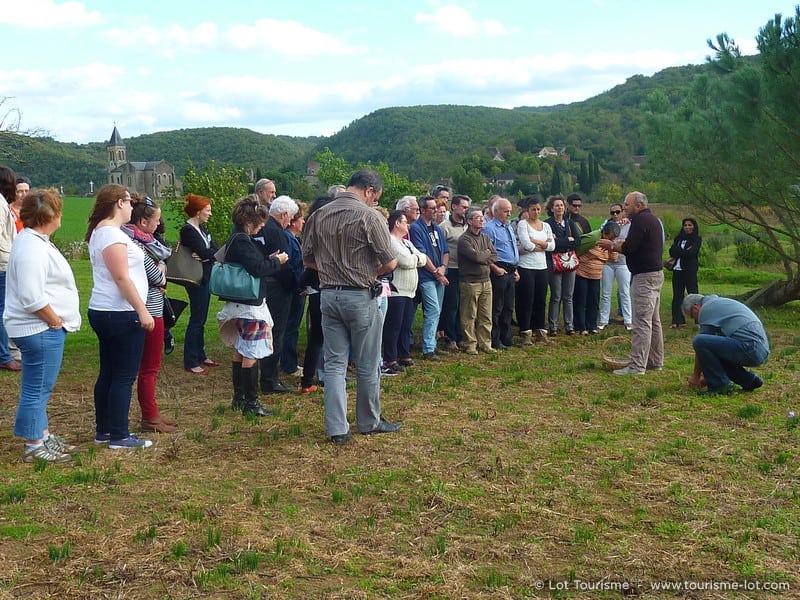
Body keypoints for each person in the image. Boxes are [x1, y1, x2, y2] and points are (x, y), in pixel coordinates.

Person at [302, 168, 400, 445]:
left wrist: (332, 270)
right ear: (369, 190)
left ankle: (337, 429)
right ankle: (369, 421)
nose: (375, 202)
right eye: (375, 198)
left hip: (328, 295)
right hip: (360, 295)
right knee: (368, 362)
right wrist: (365, 272)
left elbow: (307, 258)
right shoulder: (369, 216)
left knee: (334, 363)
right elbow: (391, 262)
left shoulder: (319, 215)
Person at [6, 188, 81, 463]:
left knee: (40, 387)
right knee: (37, 388)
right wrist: (54, 320)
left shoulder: (35, 240)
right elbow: (31, 296)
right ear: (50, 217)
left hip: (39, 328)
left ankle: (42, 435)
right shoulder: (31, 247)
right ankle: (34, 445)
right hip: (38, 328)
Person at [86, 184, 155, 449]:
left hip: (107, 310)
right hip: (120, 312)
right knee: (123, 376)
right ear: (119, 203)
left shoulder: (103, 232)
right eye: (129, 202)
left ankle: (105, 430)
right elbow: (121, 277)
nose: (131, 207)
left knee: (110, 372)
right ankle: (118, 434)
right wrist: (142, 309)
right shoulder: (111, 235)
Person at [217, 197, 289, 416]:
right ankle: (251, 403)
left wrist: (268, 258)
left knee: (241, 349)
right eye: (260, 221)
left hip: (239, 304)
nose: (263, 226)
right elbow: (257, 269)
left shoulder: (237, 238)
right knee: (252, 351)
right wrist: (277, 261)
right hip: (249, 306)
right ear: (249, 221)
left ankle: (239, 398)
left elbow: (251, 264)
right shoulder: (242, 240)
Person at [123, 196, 176, 434]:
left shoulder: (135, 241)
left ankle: (151, 411)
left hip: (146, 306)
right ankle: (150, 416)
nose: (158, 224)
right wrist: (162, 271)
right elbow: (156, 276)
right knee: (150, 367)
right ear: (143, 222)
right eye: (156, 220)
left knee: (147, 366)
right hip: (150, 310)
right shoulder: (139, 247)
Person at [599, 191, 664, 375]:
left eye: (627, 204)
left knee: (641, 322)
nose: (624, 208)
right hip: (655, 274)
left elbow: (629, 247)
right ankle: (654, 361)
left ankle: (637, 366)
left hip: (644, 277)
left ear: (638, 205)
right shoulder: (653, 220)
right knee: (653, 321)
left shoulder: (640, 221)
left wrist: (611, 245)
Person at [255, 195, 298, 393]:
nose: (290, 222)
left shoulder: (263, 226)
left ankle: (267, 375)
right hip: (278, 288)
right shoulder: (277, 232)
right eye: (291, 217)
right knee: (276, 332)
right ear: (284, 214)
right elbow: (284, 265)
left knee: (266, 330)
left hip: (264, 285)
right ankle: (270, 379)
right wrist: (294, 285)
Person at [683, 294, 769, 395]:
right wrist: (710, 376)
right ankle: (749, 380)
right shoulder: (719, 303)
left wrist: (696, 376)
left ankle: (719, 386)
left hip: (749, 347)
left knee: (699, 341)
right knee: (714, 349)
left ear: (695, 308)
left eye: (693, 317)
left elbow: (702, 345)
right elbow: (716, 349)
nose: (697, 321)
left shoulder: (706, 309)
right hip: (761, 349)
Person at [298, 196, 335, 394]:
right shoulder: (328, 233)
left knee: (317, 336)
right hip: (325, 287)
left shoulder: (310, 231)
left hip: (315, 288)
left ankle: (308, 379)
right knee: (323, 336)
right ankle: (316, 377)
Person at [179, 193, 219, 375]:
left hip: (205, 276)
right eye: (207, 210)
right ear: (197, 212)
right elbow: (205, 252)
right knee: (196, 319)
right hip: (196, 279)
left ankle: (200, 354)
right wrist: (207, 254)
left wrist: (207, 254)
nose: (210, 214)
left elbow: (215, 251)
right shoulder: (188, 230)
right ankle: (191, 360)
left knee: (201, 318)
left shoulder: (202, 229)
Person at [383, 210, 427, 374]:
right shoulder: (391, 241)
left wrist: (415, 259)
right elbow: (405, 261)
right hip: (397, 290)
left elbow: (423, 258)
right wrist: (416, 259)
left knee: (406, 325)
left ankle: (404, 354)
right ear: (397, 223)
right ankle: (390, 358)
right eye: (404, 222)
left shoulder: (407, 243)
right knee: (394, 325)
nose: (408, 225)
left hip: (410, 291)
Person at [410, 195, 449, 361]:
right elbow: (422, 254)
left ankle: (432, 343)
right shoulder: (416, 228)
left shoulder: (437, 229)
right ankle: (428, 349)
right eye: (432, 208)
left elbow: (445, 251)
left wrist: (443, 268)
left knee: (437, 311)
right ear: (423, 210)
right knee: (432, 310)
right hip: (426, 276)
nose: (435, 211)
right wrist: (436, 273)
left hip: (439, 274)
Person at [458, 207, 498, 354]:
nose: (482, 220)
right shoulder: (464, 239)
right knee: (469, 315)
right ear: (469, 221)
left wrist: (483, 256)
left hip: (486, 281)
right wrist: (485, 254)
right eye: (477, 217)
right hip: (470, 282)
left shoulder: (485, 237)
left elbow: (494, 255)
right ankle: (470, 344)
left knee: (486, 315)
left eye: (482, 217)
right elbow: (476, 257)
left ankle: (485, 343)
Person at [515, 195, 554, 345]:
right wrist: (543, 244)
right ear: (527, 210)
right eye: (533, 209)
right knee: (527, 300)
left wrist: (536, 242)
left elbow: (552, 246)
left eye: (538, 209)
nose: (536, 212)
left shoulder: (546, 226)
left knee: (540, 300)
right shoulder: (523, 224)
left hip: (542, 266)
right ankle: (526, 331)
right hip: (526, 267)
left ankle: (540, 331)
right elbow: (526, 245)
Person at [482, 197, 519, 349]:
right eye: (505, 211)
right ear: (496, 211)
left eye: (510, 211)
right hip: (499, 269)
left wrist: (515, 269)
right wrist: (494, 268)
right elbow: (485, 252)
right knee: (497, 306)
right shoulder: (489, 229)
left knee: (508, 306)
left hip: (511, 269)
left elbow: (512, 249)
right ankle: (495, 339)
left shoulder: (508, 227)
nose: (509, 214)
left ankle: (507, 337)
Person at [574, 220, 619, 335]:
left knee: (593, 301)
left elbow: (614, 258)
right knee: (581, 300)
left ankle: (592, 326)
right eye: (610, 238)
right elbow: (578, 249)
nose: (611, 240)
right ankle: (581, 326)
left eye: (613, 239)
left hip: (596, 276)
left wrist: (612, 248)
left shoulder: (609, 245)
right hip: (582, 273)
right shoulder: (594, 239)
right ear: (604, 233)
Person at [438, 194, 470, 351]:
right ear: (454, 207)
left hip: (466, 270)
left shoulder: (468, 225)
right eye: (463, 207)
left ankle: (460, 335)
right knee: (452, 305)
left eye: (467, 208)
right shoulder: (444, 227)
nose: (465, 210)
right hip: (451, 269)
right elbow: (440, 249)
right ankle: (450, 337)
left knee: (463, 305)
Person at [545, 194, 581, 336]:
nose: (559, 208)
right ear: (552, 209)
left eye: (561, 205)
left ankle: (569, 326)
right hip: (555, 263)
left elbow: (577, 241)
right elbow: (550, 244)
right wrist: (567, 240)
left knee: (568, 296)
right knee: (556, 295)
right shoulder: (547, 224)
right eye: (556, 206)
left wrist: (559, 241)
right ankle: (553, 326)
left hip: (569, 262)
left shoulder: (570, 223)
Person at [280, 201, 307, 378]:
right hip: (294, 290)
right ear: (293, 221)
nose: (303, 222)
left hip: (297, 288)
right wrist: (299, 286)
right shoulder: (288, 239)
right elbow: (290, 266)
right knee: (290, 327)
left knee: (291, 326)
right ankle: (288, 364)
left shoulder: (293, 239)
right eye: (301, 219)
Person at [598, 203, 632, 331]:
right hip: (608, 263)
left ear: (622, 211)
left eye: (618, 212)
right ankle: (603, 319)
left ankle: (628, 320)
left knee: (624, 292)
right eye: (612, 213)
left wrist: (617, 243)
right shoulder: (606, 224)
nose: (615, 215)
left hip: (623, 262)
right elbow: (602, 238)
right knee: (606, 292)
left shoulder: (629, 224)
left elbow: (629, 241)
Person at [0, 166, 21, 372]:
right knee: (2, 310)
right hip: (2, 263)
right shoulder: (0, 204)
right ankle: (4, 356)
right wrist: (9, 255)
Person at [669, 218, 702, 328]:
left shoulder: (696, 239)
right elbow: (672, 251)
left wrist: (679, 252)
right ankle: (677, 320)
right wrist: (683, 252)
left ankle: (698, 320)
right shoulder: (678, 238)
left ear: (694, 227)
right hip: (677, 270)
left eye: (689, 225)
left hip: (689, 270)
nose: (687, 227)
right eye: (685, 225)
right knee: (677, 295)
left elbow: (691, 253)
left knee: (693, 294)